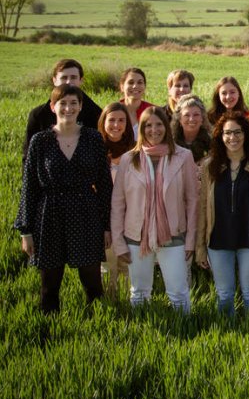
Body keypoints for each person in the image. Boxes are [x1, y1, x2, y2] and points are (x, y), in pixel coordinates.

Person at [15, 84, 112, 313]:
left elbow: (105, 185)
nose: (68, 108)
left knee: (93, 283)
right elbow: (29, 186)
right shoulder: (40, 141)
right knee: (49, 286)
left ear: (80, 107)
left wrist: (107, 225)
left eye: (73, 103)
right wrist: (26, 230)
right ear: (52, 106)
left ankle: (98, 324)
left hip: (86, 214)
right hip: (50, 216)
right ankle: (50, 325)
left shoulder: (93, 138)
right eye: (63, 103)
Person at [111, 107, 198, 313]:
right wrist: (119, 242)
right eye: (148, 125)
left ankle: (184, 333)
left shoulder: (183, 156)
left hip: (174, 234)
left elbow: (192, 201)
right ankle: (143, 332)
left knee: (178, 291)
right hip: (136, 235)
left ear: (166, 127)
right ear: (141, 129)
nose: (154, 129)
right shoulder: (128, 159)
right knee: (139, 291)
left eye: (159, 124)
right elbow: (118, 203)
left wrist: (191, 241)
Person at [196, 112, 249, 315]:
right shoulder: (208, 166)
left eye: (238, 132)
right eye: (227, 133)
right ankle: (228, 335)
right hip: (218, 240)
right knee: (224, 293)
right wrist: (200, 247)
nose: (233, 138)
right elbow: (203, 207)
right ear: (220, 136)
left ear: (246, 134)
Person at [24, 59, 103, 161]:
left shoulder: (96, 113)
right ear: (54, 80)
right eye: (64, 77)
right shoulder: (38, 115)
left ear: (81, 80)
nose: (69, 82)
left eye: (73, 77)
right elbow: (28, 157)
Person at [97, 102, 135, 294]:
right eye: (111, 120)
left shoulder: (135, 151)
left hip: (131, 216)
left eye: (121, 121)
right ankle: (110, 305)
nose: (116, 125)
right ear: (103, 122)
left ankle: (131, 305)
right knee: (108, 264)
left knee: (128, 263)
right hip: (103, 216)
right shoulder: (95, 150)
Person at [172, 94, 213, 163]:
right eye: (187, 115)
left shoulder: (212, 143)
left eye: (196, 115)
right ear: (179, 119)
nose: (191, 119)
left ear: (202, 118)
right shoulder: (171, 143)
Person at [118, 68, 154, 138]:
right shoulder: (113, 111)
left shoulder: (152, 111)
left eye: (140, 82)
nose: (135, 86)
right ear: (122, 87)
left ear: (144, 86)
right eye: (131, 82)